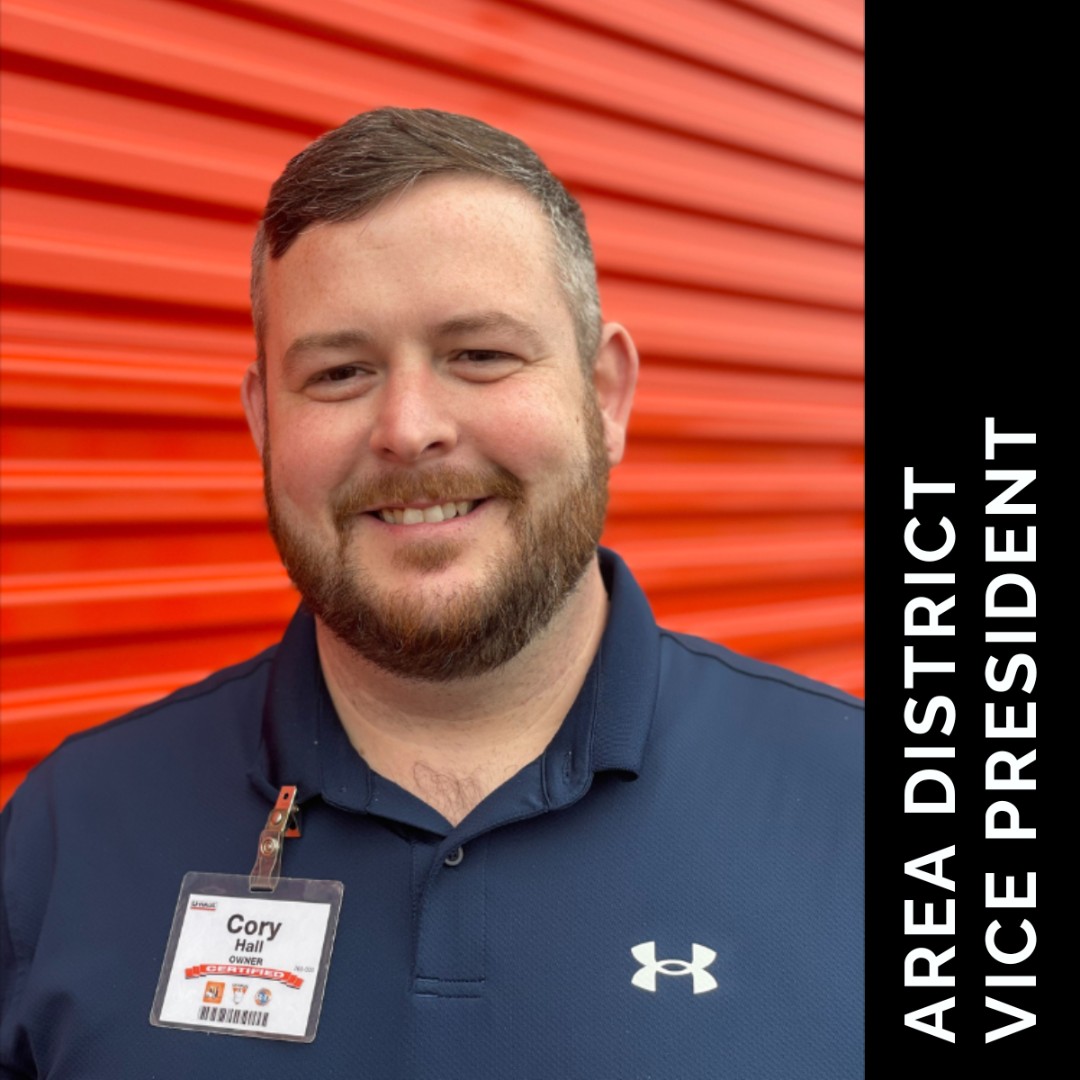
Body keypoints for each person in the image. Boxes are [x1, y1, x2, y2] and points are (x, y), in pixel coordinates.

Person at [0, 108, 862, 1078]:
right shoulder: (68, 835)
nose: (409, 429)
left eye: (480, 354)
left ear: (605, 394)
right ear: (264, 422)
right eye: (340, 372)